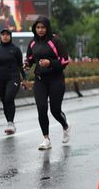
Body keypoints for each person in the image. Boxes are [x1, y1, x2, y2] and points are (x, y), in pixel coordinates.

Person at [24, 16, 71, 150]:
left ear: (48, 28)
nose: (40, 30)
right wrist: (27, 64)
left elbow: (65, 60)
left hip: (56, 79)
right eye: (38, 27)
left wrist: (50, 63)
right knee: (41, 108)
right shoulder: (32, 43)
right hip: (40, 80)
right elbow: (30, 59)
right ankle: (46, 139)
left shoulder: (55, 41)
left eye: (43, 27)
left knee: (55, 110)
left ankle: (65, 126)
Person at [0, 29, 26, 135]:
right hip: (0, 79)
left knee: (9, 98)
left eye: (7, 34)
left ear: (10, 36)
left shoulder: (16, 49)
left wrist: (24, 78)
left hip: (13, 78)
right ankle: (9, 123)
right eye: (3, 35)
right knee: (4, 101)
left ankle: (10, 122)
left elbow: (20, 65)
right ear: (0, 36)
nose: (5, 36)